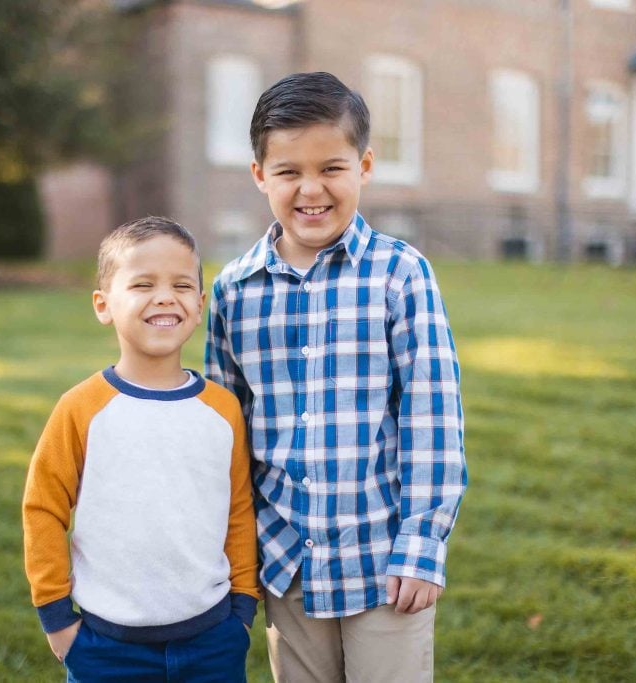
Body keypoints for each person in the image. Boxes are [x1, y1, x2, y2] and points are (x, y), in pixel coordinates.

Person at [205, 72, 467, 682]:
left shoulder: (400, 275)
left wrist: (423, 545)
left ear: (365, 165)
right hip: (284, 559)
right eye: (288, 171)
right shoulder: (233, 290)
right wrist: (236, 549)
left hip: (382, 560)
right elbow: (227, 431)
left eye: (331, 167)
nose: (310, 189)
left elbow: (433, 415)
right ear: (259, 176)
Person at [24, 216, 260, 682]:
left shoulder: (223, 408)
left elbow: (237, 508)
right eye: (143, 284)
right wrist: (57, 618)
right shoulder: (81, 408)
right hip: (105, 647)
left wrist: (243, 607)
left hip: (213, 641)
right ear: (103, 304)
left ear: (199, 304)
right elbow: (43, 508)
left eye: (181, 284)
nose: (165, 296)